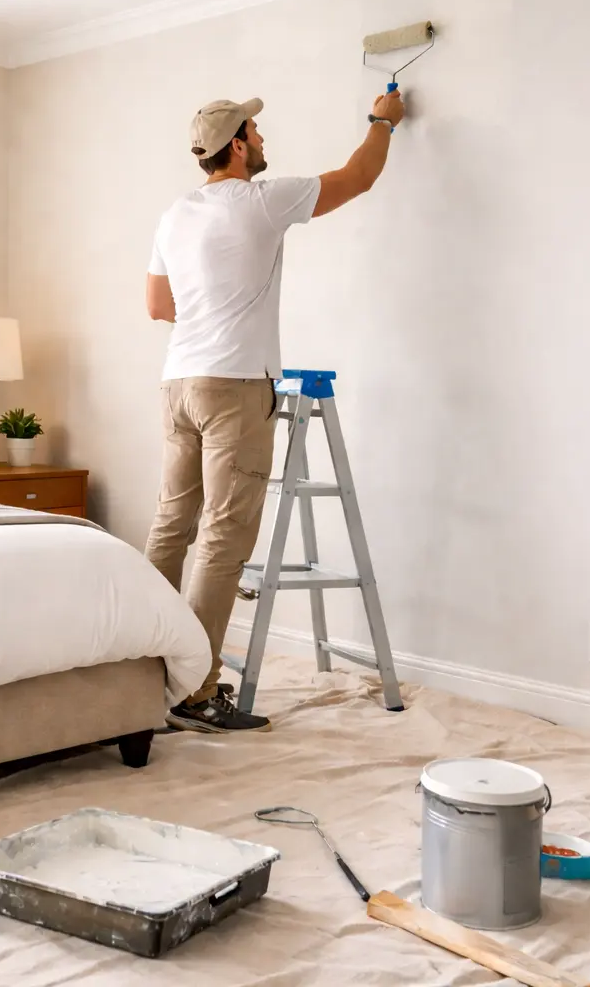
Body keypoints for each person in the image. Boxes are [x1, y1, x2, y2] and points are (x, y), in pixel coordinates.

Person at [144, 90, 407, 733]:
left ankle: (137, 672)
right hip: (233, 388)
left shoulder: (176, 214)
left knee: (173, 527)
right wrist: (382, 121)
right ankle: (196, 693)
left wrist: (213, 307)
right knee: (223, 539)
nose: (262, 139)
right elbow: (360, 177)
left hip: (178, 382)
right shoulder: (263, 200)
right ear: (237, 145)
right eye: (255, 131)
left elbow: (158, 306)